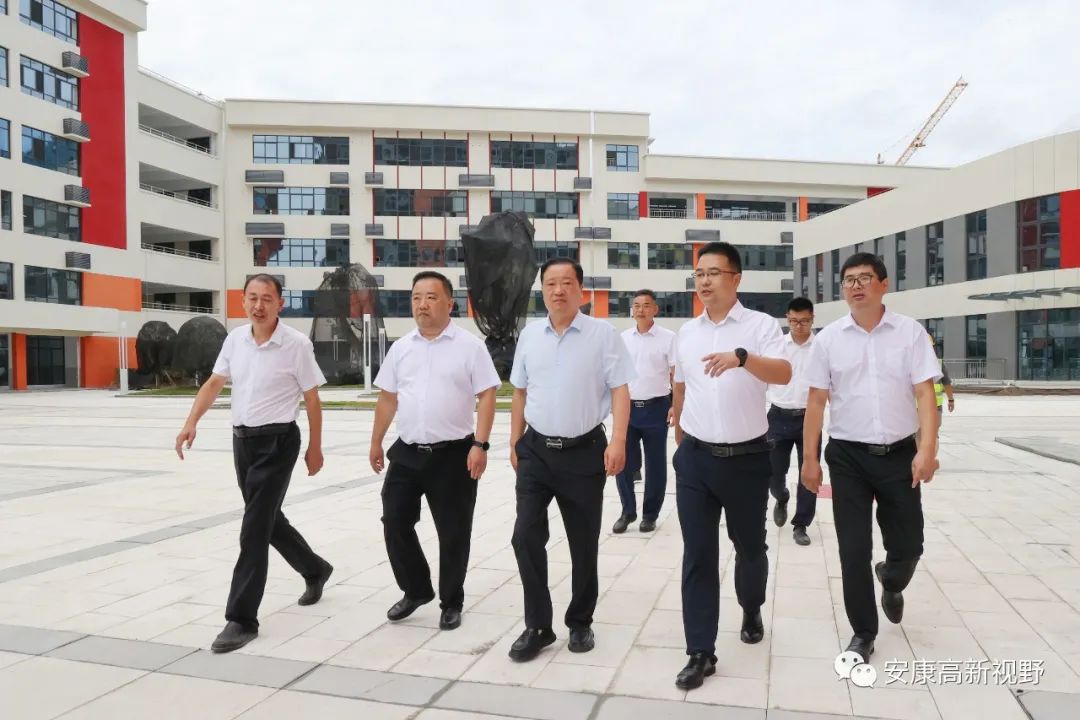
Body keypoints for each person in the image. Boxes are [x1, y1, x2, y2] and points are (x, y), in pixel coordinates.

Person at [175, 274, 333, 654]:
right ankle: (314, 569)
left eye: (266, 299)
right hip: (242, 442)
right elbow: (214, 383)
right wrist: (191, 422)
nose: (258, 306)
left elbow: (312, 399)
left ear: (280, 303)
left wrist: (315, 447)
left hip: (278, 442)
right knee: (267, 521)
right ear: (243, 301)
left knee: (253, 529)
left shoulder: (296, 345)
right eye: (252, 298)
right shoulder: (235, 340)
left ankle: (242, 618)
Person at [801, 252, 941, 664]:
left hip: (899, 454)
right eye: (849, 280)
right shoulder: (829, 339)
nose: (856, 285)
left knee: (909, 544)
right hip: (848, 456)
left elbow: (925, 393)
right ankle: (863, 632)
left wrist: (927, 450)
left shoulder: (910, 333)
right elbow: (816, 401)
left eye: (864, 278)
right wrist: (809, 459)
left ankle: (891, 578)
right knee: (853, 549)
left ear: (883, 285)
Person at [670, 242, 792, 690]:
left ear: (736, 278)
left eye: (713, 273)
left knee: (750, 548)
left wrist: (743, 358)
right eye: (699, 273)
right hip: (696, 460)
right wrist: (680, 431)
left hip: (747, 459)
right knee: (698, 555)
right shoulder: (687, 333)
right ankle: (700, 651)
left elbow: (783, 373)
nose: (704, 281)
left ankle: (751, 606)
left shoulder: (760, 326)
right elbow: (680, 384)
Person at [507, 257, 635, 662]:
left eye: (566, 283)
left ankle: (580, 621)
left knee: (583, 541)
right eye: (550, 283)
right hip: (536, 451)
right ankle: (538, 626)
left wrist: (618, 441)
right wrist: (514, 441)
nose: (558, 290)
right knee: (524, 536)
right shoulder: (530, 335)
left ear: (581, 290)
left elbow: (620, 390)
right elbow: (520, 392)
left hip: (584, 451)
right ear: (542, 290)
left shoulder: (602, 335)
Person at [369, 271, 500, 630]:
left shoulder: (469, 346)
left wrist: (480, 444)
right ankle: (416, 589)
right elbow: (388, 398)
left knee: (453, 531)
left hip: (454, 454)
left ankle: (451, 601)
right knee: (395, 521)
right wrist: (376, 440)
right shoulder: (401, 348)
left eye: (430, 297)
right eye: (416, 298)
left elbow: (487, 394)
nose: (422, 305)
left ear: (449, 303)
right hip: (407, 451)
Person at [612, 289, 677, 534]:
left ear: (655, 309)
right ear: (632, 310)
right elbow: (616, 374)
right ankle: (627, 511)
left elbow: (676, 375)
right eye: (637, 305)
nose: (641, 309)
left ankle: (650, 515)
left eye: (646, 305)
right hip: (627, 409)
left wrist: (675, 405)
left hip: (656, 408)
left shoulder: (668, 338)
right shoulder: (623, 338)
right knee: (622, 461)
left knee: (655, 465)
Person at [767, 297, 820, 547]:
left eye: (804, 321)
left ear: (812, 319)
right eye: (794, 321)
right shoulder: (776, 346)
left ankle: (801, 524)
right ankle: (781, 496)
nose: (799, 326)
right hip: (778, 416)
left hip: (809, 417)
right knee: (773, 473)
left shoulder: (821, 347)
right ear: (787, 319)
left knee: (809, 472)